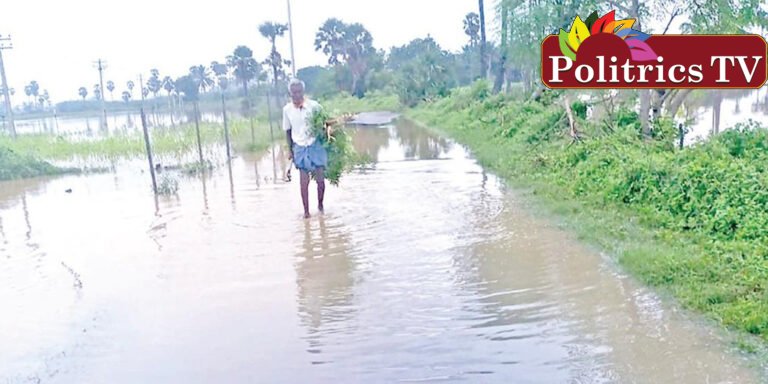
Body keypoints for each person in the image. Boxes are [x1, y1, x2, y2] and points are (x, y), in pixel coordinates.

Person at [283, 78, 327, 219]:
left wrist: (326, 134)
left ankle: (320, 206)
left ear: (303, 92)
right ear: (290, 93)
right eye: (293, 93)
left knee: (320, 179)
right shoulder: (287, 110)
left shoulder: (315, 106)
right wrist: (290, 150)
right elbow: (288, 131)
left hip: (315, 144)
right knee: (304, 181)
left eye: (298, 92)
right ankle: (306, 212)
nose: (296, 95)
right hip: (300, 147)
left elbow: (324, 124)